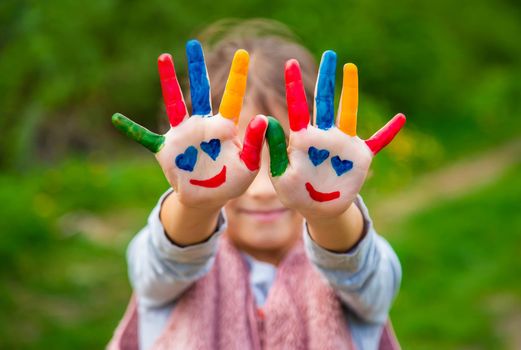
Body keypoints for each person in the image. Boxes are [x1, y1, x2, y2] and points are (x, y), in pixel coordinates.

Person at [108, 19, 406, 350]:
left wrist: (327, 213)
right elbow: (161, 262)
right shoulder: (169, 272)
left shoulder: (358, 273)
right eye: (243, 159)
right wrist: (197, 202)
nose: (262, 190)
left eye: (285, 159)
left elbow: (368, 278)